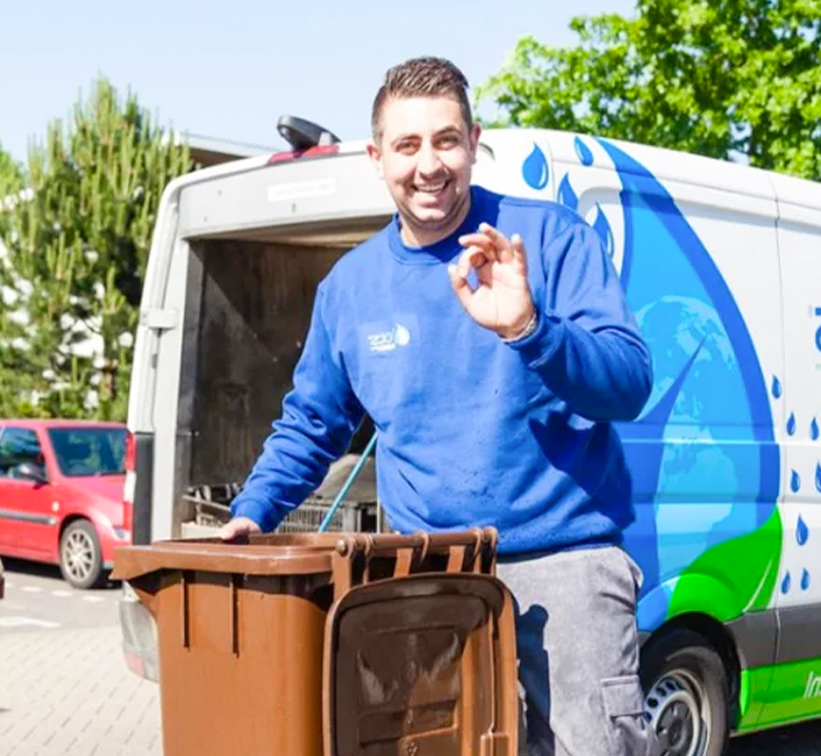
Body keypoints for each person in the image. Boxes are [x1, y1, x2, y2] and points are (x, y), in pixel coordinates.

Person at [218, 56, 657, 756]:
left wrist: (529, 330)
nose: (430, 164)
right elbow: (312, 423)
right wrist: (254, 509)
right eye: (408, 145)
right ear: (376, 156)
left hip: (565, 567)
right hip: (429, 577)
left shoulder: (545, 240)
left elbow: (630, 383)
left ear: (474, 140)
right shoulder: (350, 288)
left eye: (447, 140)